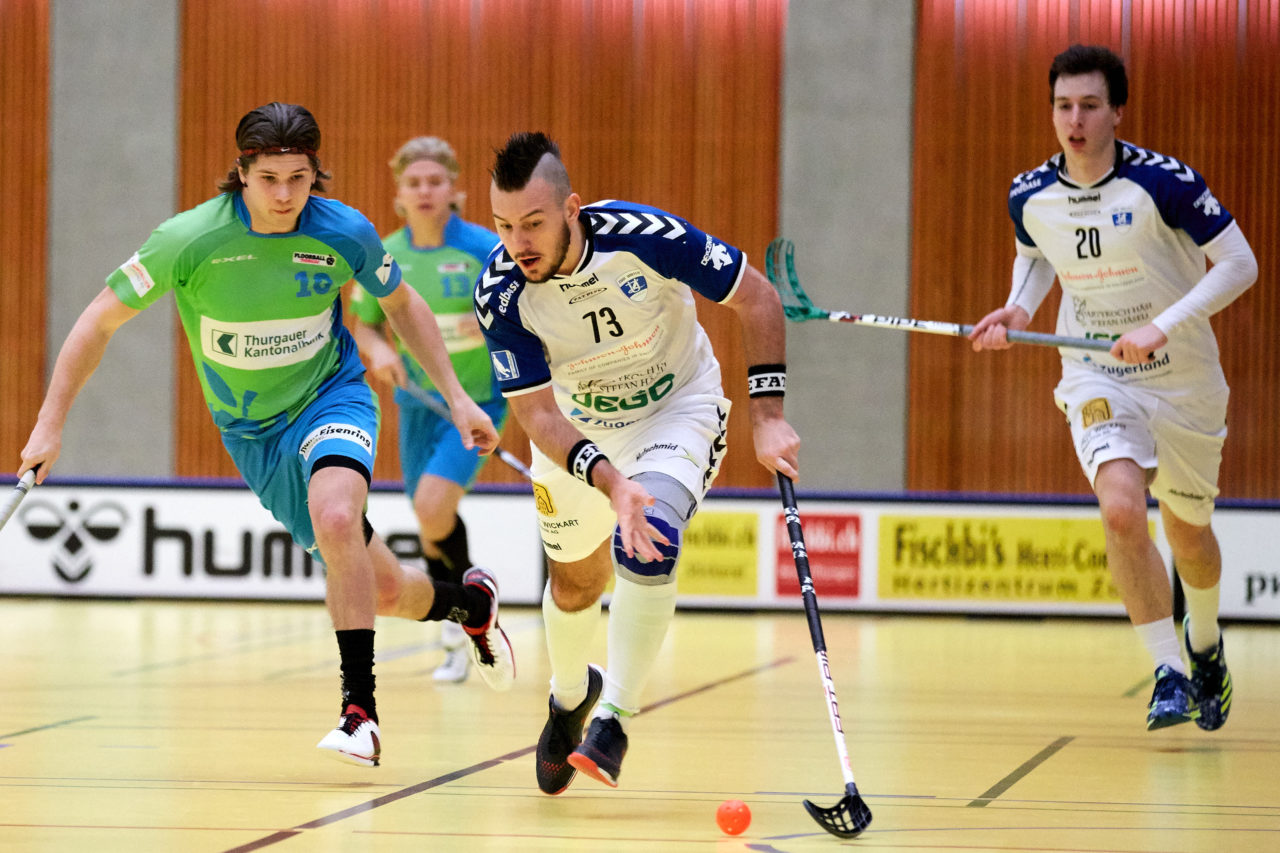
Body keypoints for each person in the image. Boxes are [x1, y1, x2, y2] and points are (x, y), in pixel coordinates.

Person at [18, 102, 516, 768]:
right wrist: (50, 423)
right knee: (390, 589)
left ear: (316, 174)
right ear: (242, 173)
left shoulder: (345, 232)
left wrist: (457, 398)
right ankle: (470, 603)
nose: (285, 195)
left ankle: (358, 712)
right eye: (269, 178)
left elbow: (402, 303)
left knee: (337, 514)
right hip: (253, 432)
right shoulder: (188, 240)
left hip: (331, 395)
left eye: (299, 178)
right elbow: (96, 323)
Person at [476, 131, 800, 793]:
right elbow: (539, 418)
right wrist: (609, 480)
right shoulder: (502, 293)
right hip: (575, 432)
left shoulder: (645, 236)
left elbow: (759, 298)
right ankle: (571, 698)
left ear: (572, 208)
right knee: (575, 584)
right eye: (505, 226)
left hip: (674, 408)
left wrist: (768, 418)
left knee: (650, 537)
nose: (519, 242)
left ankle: (616, 717)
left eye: (533, 223)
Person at [969, 45, 1257, 732]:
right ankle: (1169, 670)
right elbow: (1036, 261)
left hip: (1182, 378)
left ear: (1117, 111)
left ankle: (1207, 644)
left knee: (1189, 533)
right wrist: (1017, 310)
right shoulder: (1029, 194)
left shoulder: (1165, 184)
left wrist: (1163, 325)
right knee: (1122, 509)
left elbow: (1239, 264)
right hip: (1095, 370)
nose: (1074, 120)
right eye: (1063, 105)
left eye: (1090, 105)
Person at [351, 136, 505, 684]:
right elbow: (364, 321)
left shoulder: (485, 249)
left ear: (454, 190)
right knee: (426, 514)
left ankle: (462, 617)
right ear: (399, 194)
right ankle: (469, 617)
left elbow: (520, 313)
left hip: (477, 403)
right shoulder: (385, 254)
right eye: (414, 183)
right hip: (416, 405)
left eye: (435, 182)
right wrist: (379, 348)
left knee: (436, 506)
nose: (424, 191)